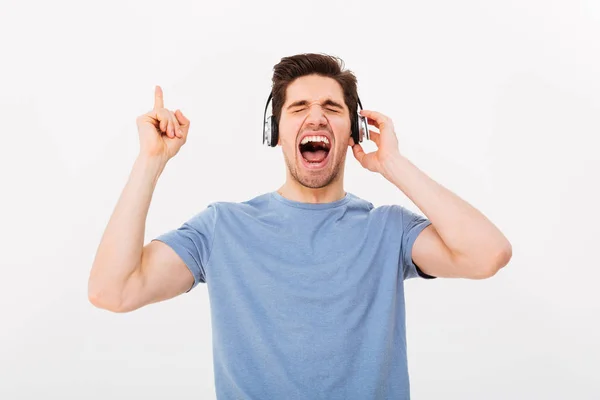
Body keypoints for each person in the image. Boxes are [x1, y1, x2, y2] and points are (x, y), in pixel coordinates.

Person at [88, 53, 512, 399]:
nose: (316, 118)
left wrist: (393, 164)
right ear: (275, 130)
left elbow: (487, 254)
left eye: (332, 108)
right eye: (298, 108)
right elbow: (113, 290)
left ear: (354, 131)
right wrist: (151, 162)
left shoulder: (389, 231)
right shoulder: (221, 229)